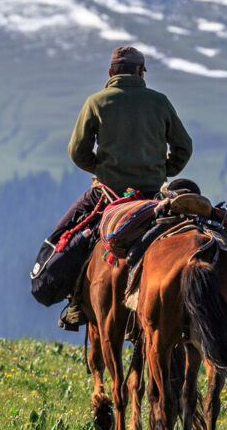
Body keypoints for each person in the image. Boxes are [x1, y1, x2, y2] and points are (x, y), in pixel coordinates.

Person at [57, 44, 193, 329]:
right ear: (141, 72)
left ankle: (74, 303)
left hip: (109, 194)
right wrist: (161, 170)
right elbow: (184, 147)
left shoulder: (97, 102)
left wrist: (105, 169)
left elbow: (77, 152)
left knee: (69, 237)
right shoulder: (160, 102)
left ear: (110, 72)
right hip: (154, 197)